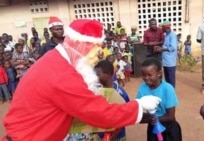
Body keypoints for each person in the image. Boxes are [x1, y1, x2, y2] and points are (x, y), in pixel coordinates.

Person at [2, 19, 161, 141]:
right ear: (75, 43)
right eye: (93, 48)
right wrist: (138, 105)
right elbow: (98, 113)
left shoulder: (56, 60)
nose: (96, 55)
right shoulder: (61, 74)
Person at [136, 58, 182, 141]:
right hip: (153, 126)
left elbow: (171, 116)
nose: (146, 78)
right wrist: (148, 119)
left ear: (159, 73)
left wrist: (153, 118)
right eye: (143, 75)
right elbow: (137, 111)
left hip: (169, 128)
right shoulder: (142, 88)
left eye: (150, 75)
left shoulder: (167, 89)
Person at [94, 60, 130, 141]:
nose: (95, 77)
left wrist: (115, 133)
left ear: (109, 74)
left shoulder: (120, 93)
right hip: (100, 134)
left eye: (98, 75)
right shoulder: (97, 91)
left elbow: (126, 114)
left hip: (117, 136)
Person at [156, 20, 177, 88]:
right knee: (167, 79)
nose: (161, 29)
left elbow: (173, 47)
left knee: (171, 80)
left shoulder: (172, 35)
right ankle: (169, 92)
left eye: (162, 27)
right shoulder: (165, 35)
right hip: (165, 61)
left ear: (166, 27)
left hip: (170, 62)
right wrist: (160, 47)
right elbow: (165, 45)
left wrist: (162, 49)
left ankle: (172, 93)